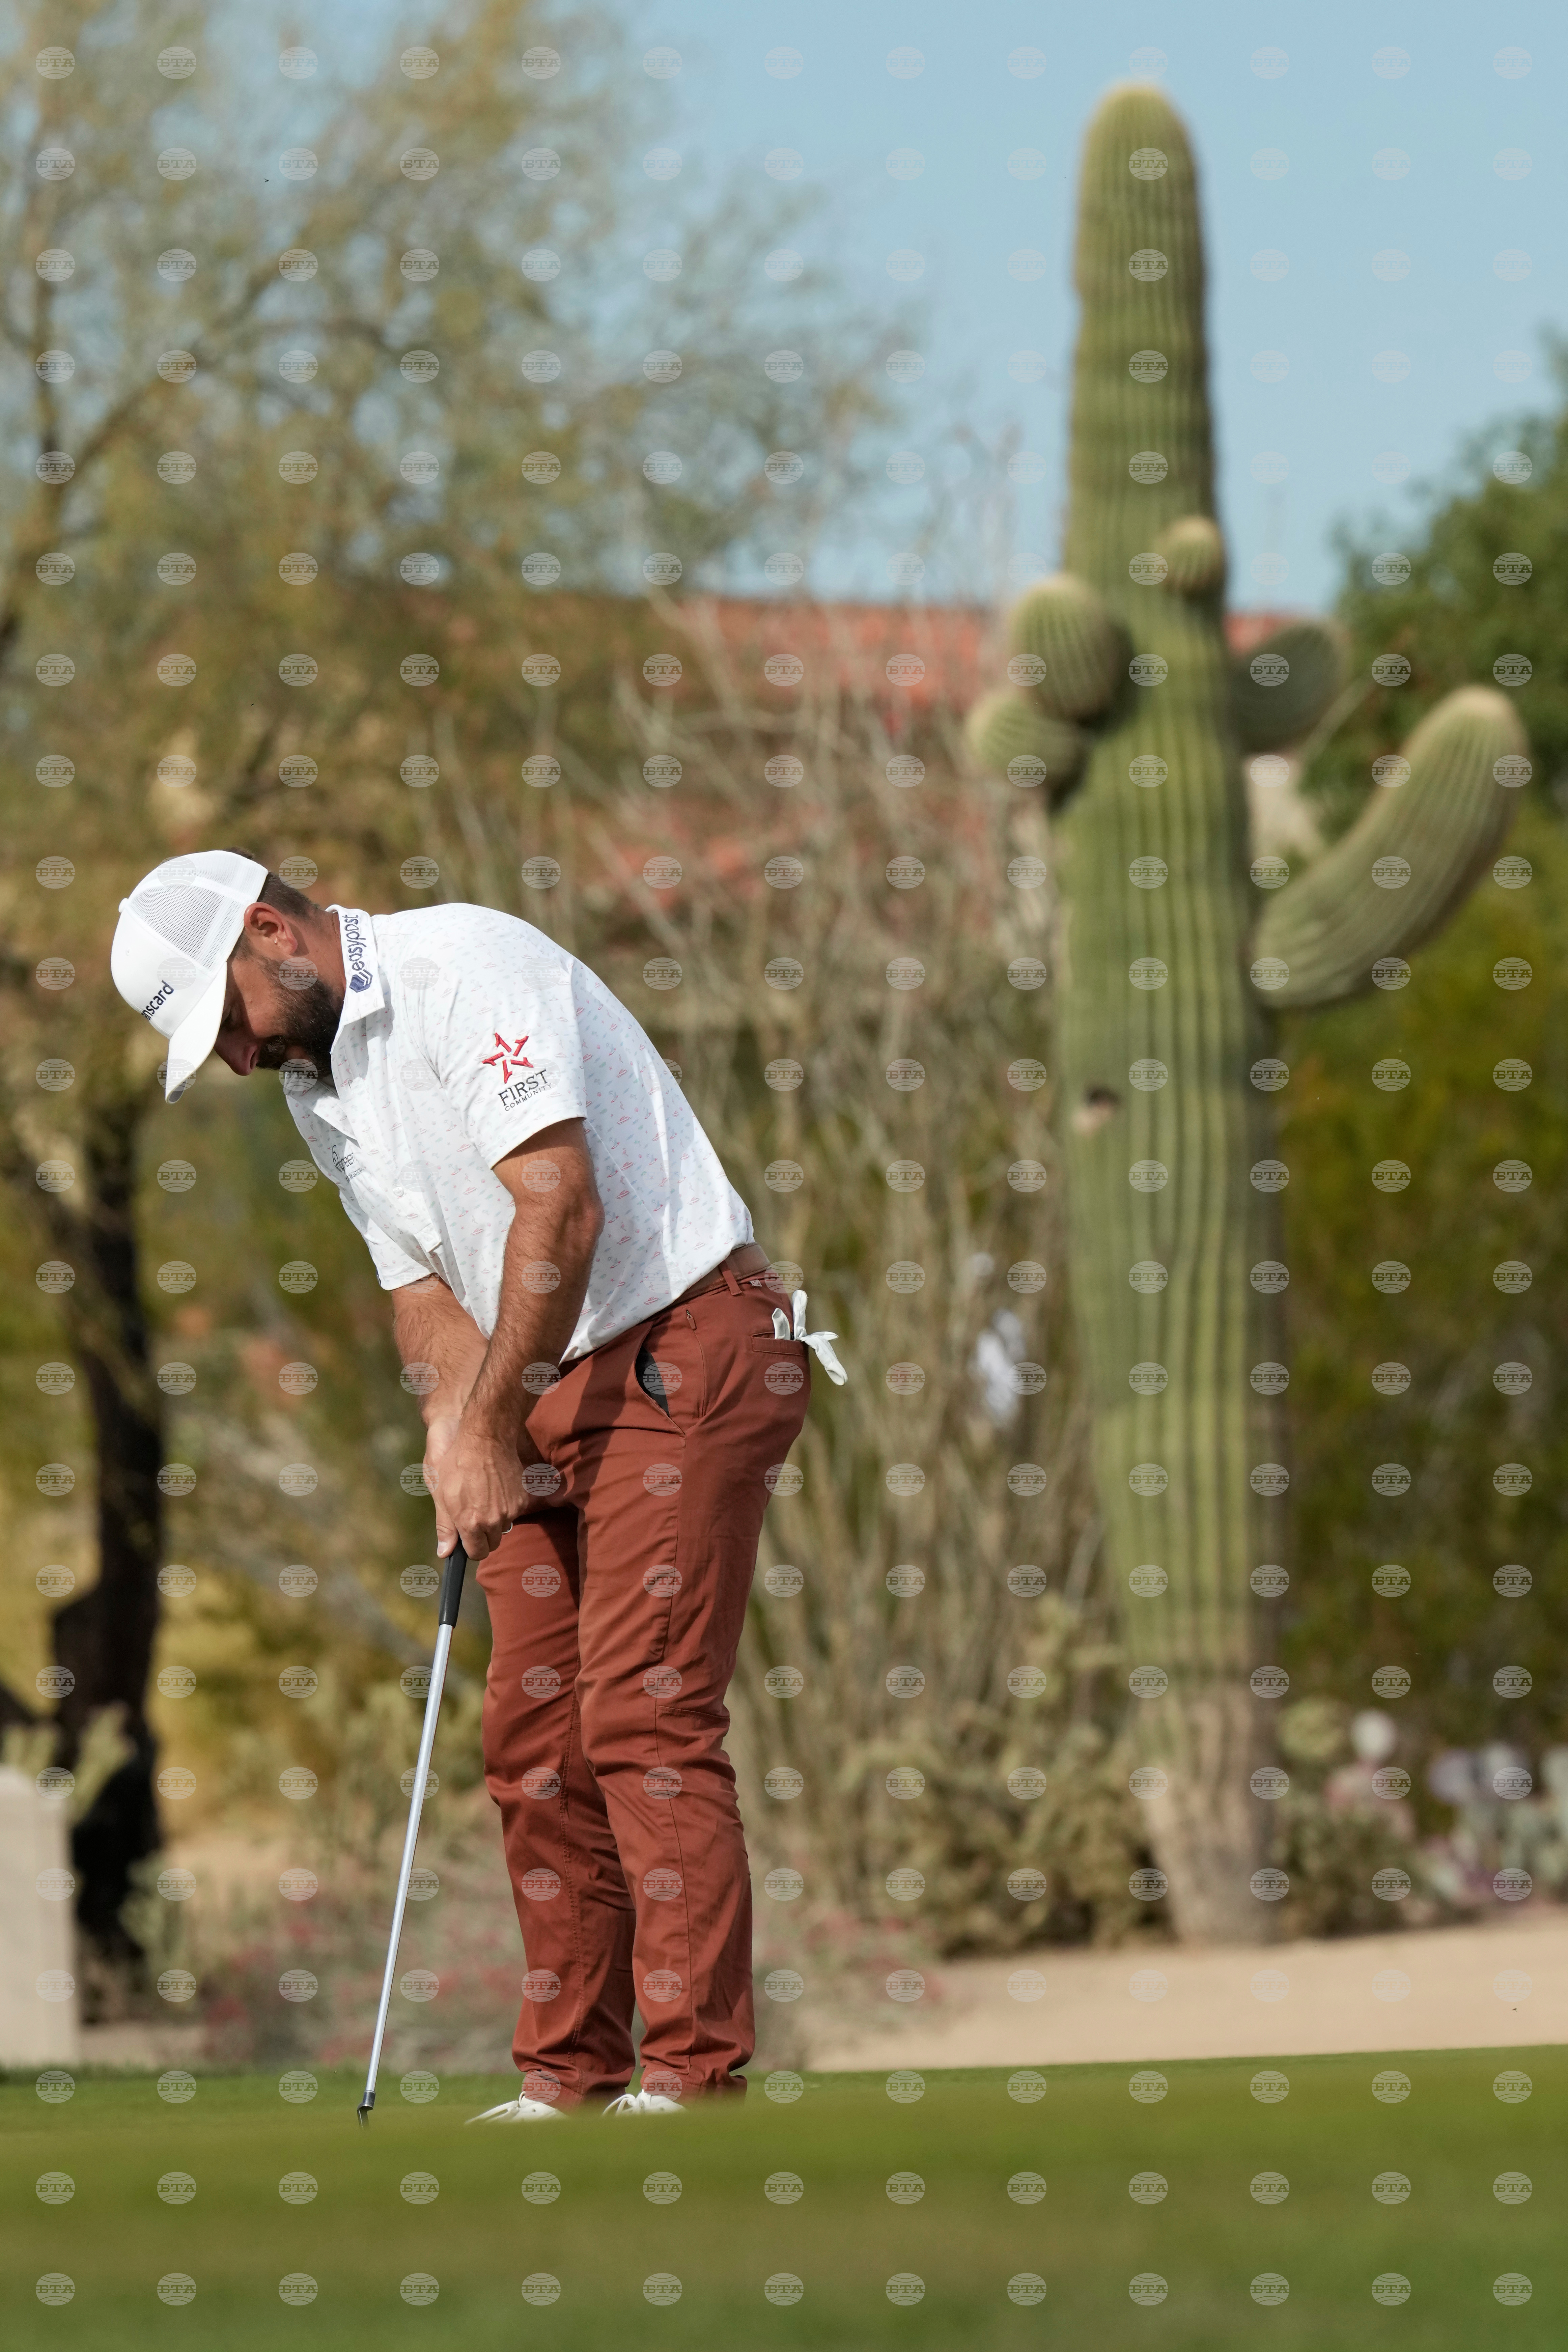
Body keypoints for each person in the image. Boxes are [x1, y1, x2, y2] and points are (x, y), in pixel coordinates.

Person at [111, 849, 844, 2118]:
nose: (235, 1055)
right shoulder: (318, 1084)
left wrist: (489, 1416)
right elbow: (420, 1290)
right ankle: (567, 2079)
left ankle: (693, 2077)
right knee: (532, 1740)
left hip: (683, 1345)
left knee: (642, 1715)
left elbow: (559, 1208)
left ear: (274, 931)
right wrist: (459, 1426)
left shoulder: (468, 965)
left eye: (229, 1018)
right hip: (544, 1382)